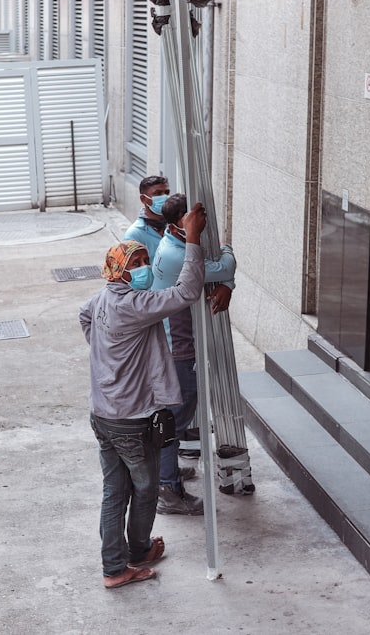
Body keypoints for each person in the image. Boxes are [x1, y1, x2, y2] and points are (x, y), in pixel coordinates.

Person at [79, 202, 208, 588]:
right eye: (137, 263)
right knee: (147, 488)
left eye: (144, 260)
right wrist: (195, 238)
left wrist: (108, 354)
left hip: (103, 414)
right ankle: (126, 561)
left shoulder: (103, 298)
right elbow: (187, 290)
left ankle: (119, 562)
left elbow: (83, 317)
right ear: (120, 271)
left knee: (114, 491)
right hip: (130, 419)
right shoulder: (135, 305)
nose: (144, 268)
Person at [150, 193, 237, 515]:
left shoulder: (170, 244)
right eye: (196, 224)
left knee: (171, 421)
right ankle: (168, 491)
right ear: (179, 226)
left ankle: (167, 474)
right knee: (171, 424)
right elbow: (225, 263)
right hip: (179, 353)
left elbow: (217, 273)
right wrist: (223, 252)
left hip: (174, 347)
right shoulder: (177, 254)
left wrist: (224, 280)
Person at [123, 175, 171, 257]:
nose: (164, 197)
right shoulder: (135, 234)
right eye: (158, 194)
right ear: (143, 199)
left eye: (166, 193)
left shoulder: (175, 225)